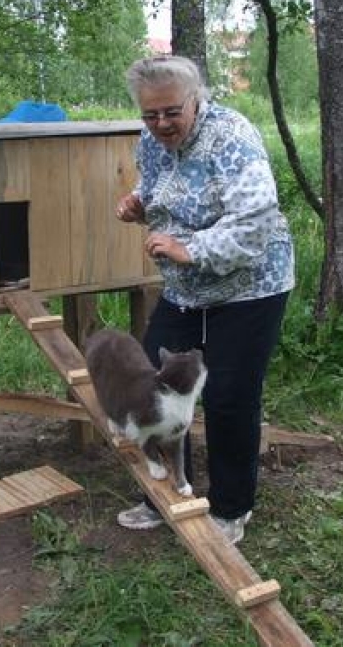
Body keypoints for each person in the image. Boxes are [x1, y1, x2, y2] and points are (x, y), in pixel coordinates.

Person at [113, 55, 295, 544]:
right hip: (187, 289)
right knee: (154, 383)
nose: (161, 124)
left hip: (250, 285)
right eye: (150, 115)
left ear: (197, 99)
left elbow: (255, 220)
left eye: (172, 112)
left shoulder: (232, 139)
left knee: (228, 396)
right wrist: (139, 204)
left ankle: (232, 508)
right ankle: (168, 493)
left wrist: (190, 248)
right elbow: (159, 186)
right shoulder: (151, 142)